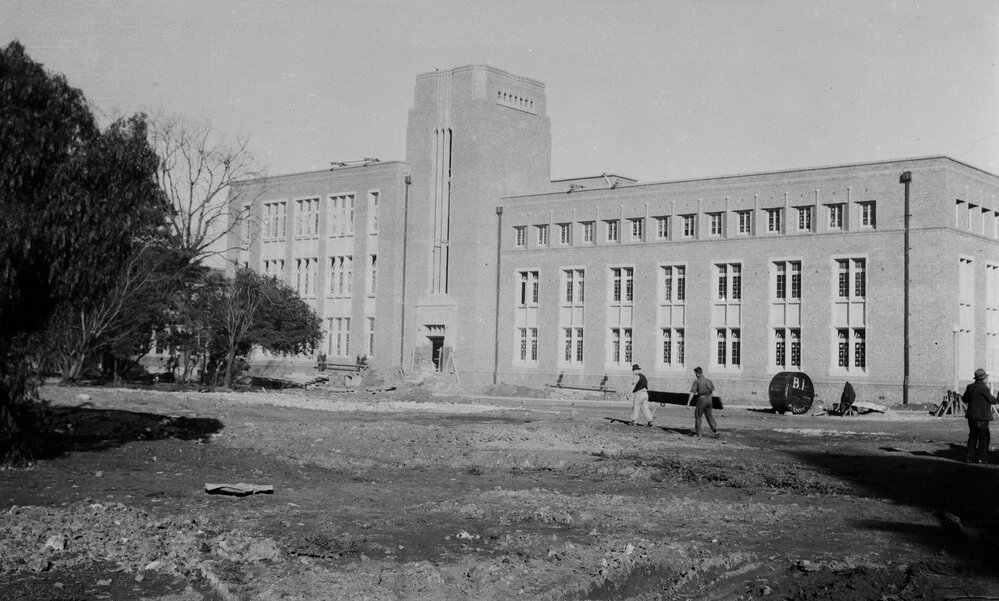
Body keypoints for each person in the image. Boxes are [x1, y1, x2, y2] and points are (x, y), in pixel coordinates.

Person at [963, 368, 998, 463]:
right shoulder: (984, 389)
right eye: (986, 377)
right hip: (982, 417)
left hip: (971, 416)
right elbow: (993, 401)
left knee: (973, 436)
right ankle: (981, 458)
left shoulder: (970, 387)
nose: (987, 379)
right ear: (983, 379)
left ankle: (969, 457)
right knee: (984, 437)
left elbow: (964, 399)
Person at [686, 366, 719, 437]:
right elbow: (713, 391)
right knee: (709, 415)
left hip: (701, 399)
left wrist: (688, 403)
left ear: (697, 373)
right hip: (709, 399)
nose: (695, 375)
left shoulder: (696, 381)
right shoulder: (709, 380)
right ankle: (715, 429)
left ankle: (699, 433)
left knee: (698, 416)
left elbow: (692, 392)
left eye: (695, 373)